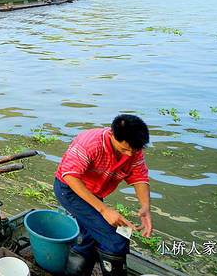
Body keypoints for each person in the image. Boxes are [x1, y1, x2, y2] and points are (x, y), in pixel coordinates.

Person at [54, 114, 151, 276]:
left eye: (133, 150)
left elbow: (139, 176)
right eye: (124, 149)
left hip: (94, 192)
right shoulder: (90, 143)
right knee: (116, 240)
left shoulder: (133, 150)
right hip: (70, 190)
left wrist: (146, 207)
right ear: (112, 135)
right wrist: (104, 210)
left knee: (91, 239)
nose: (128, 155)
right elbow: (70, 176)